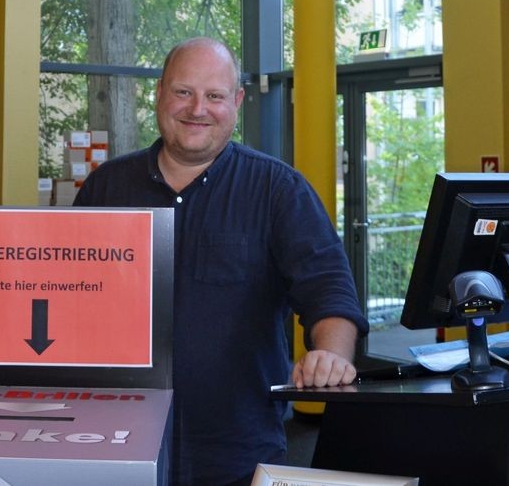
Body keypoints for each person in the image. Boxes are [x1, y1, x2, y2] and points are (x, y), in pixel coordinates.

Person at [73, 38, 368, 486]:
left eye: (214, 95)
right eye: (183, 92)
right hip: (116, 442)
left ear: (237, 101)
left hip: (238, 450)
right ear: (159, 95)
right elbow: (63, 294)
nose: (198, 108)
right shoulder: (106, 189)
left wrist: (329, 354)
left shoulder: (278, 191)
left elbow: (329, 290)